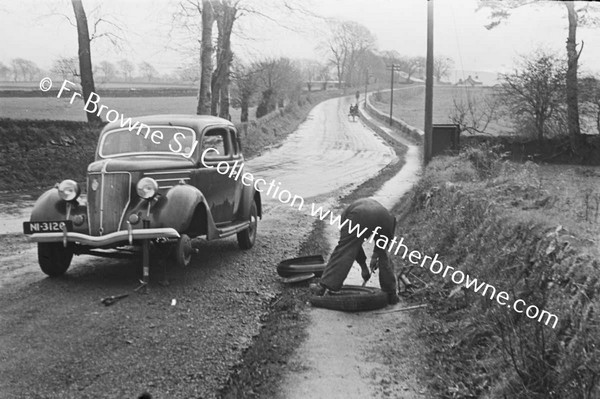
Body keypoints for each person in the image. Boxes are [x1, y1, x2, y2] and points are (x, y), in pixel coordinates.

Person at [310, 198, 400, 305]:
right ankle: (391, 294)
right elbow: (381, 244)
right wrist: (375, 256)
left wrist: (363, 267)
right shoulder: (358, 208)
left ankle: (323, 287)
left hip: (360, 215)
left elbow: (352, 247)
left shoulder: (346, 217)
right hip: (386, 218)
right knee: (384, 253)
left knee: (344, 249)